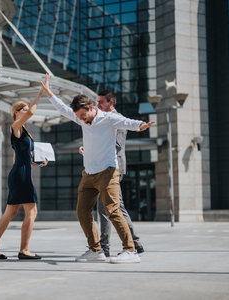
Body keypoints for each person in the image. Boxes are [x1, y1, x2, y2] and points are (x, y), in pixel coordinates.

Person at [40, 73, 153, 263]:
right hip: (89, 173)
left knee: (113, 210)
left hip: (108, 172)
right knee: (82, 211)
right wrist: (49, 92)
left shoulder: (108, 118)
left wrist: (141, 125)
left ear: (91, 108)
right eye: (79, 117)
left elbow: (127, 122)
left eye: (84, 115)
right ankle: (96, 250)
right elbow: (62, 109)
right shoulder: (81, 118)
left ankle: (130, 250)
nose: (82, 120)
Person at [79, 90, 144, 257]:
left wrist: (93, 152)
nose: (99, 105)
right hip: (101, 167)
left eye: (102, 102)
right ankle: (134, 243)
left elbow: (116, 146)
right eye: (98, 102)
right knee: (115, 208)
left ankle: (108, 247)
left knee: (107, 209)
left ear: (111, 103)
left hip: (111, 168)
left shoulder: (116, 119)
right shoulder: (99, 119)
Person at [0, 87, 49, 260]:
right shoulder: (15, 126)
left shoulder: (22, 131)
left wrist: (37, 163)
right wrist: (40, 94)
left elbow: (19, 158)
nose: (28, 112)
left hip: (19, 173)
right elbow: (31, 114)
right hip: (20, 176)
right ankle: (24, 250)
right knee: (32, 211)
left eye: (28, 109)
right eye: (25, 109)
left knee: (10, 213)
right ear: (16, 112)